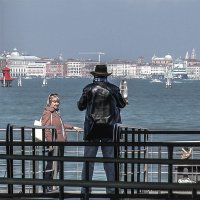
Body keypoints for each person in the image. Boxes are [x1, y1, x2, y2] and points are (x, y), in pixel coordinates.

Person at [77, 64, 127, 197]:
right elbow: (122, 104)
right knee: (110, 163)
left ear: (94, 75)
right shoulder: (114, 89)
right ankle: (112, 191)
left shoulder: (88, 89)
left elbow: (80, 106)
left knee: (88, 163)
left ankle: (85, 191)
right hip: (110, 130)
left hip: (92, 130)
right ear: (106, 76)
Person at [41, 93, 81, 192]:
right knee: (51, 164)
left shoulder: (56, 112)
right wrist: (50, 143)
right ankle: (47, 185)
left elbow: (61, 125)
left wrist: (72, 127)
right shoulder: (48, 112)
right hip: (54, 143)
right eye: (54, 101)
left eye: (57, 101)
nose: (56, 103)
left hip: (60, 143)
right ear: (50, 102)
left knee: (57, 165)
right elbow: (45, 128)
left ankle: (52, 185)